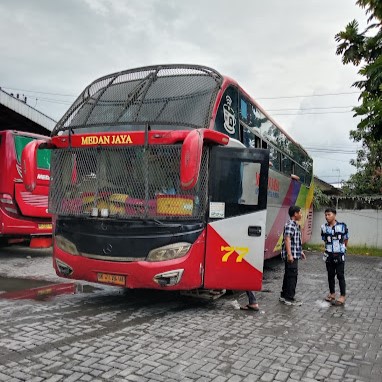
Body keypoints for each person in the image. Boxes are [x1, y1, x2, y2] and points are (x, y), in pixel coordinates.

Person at [321, 207, 349, 306]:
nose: (327, 216)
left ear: (334, 215)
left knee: (340, 275)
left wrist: (343, 249)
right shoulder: (323, 227)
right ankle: (332, 293)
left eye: (329, 214)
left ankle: (342, 296)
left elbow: (346, 239)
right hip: (329, 254)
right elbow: (324, 239)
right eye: (325, 215)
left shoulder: (342, 226)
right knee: (330, 275)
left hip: (340, 254)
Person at [279, 205, 306, 306]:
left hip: (294, 254)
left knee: (288, 275)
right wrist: (290, 255)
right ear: (295, 214)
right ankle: (289, 298)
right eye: (300, 212)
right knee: (292, 276)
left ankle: (283, 295)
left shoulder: (294, 225)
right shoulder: (291, 225)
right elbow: (287, 239)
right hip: (291, 256)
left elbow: (295, 241)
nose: (301, 214)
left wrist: (300, 251)